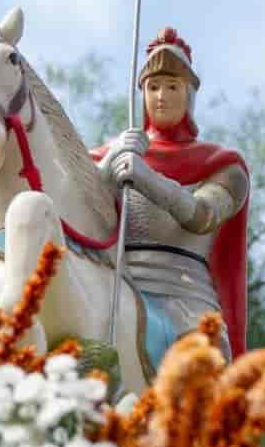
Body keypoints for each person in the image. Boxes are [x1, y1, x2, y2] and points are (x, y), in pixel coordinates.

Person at [92, 27, 249, 369]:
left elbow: (202, 215)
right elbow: (75, 203)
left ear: (189, 94)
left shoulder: (225, 168)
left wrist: (146, 177)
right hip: (114, 286)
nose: (160, 96)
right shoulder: (112, 153)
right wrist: (106, 166)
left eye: (172, 86)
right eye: (153, 87)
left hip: (185, 298)